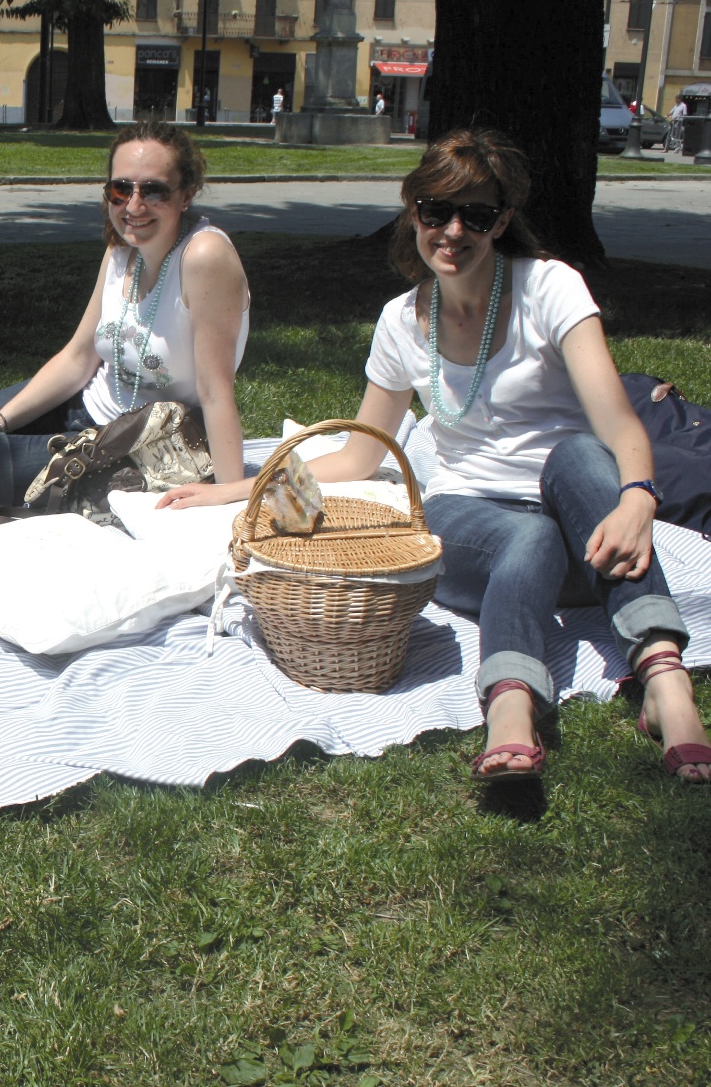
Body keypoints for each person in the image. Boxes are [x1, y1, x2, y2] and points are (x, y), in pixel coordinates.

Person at [160, 128, 711, 786]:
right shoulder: (401, 321)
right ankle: (511, 700)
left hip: (586, 531)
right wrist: (238, 488)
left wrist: (637, 498)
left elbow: (619, 425)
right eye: (435, 211)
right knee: (528, 537)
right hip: (473, 523)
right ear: (412, 210)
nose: (452, 230)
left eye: (475, 215)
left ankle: (662, 678)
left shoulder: (551, 289)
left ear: (502, 221)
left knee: (577, 454)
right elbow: (361, 455)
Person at [0, 119, 249, 508]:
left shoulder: (204, 257)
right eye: (121, 189)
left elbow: (216, 391)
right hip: (84, 405)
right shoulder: (122, 251)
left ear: (186, 194)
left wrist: (230, 494)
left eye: (153, 191)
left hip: (141, 440)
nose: (133, 206)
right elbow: (78, 357)